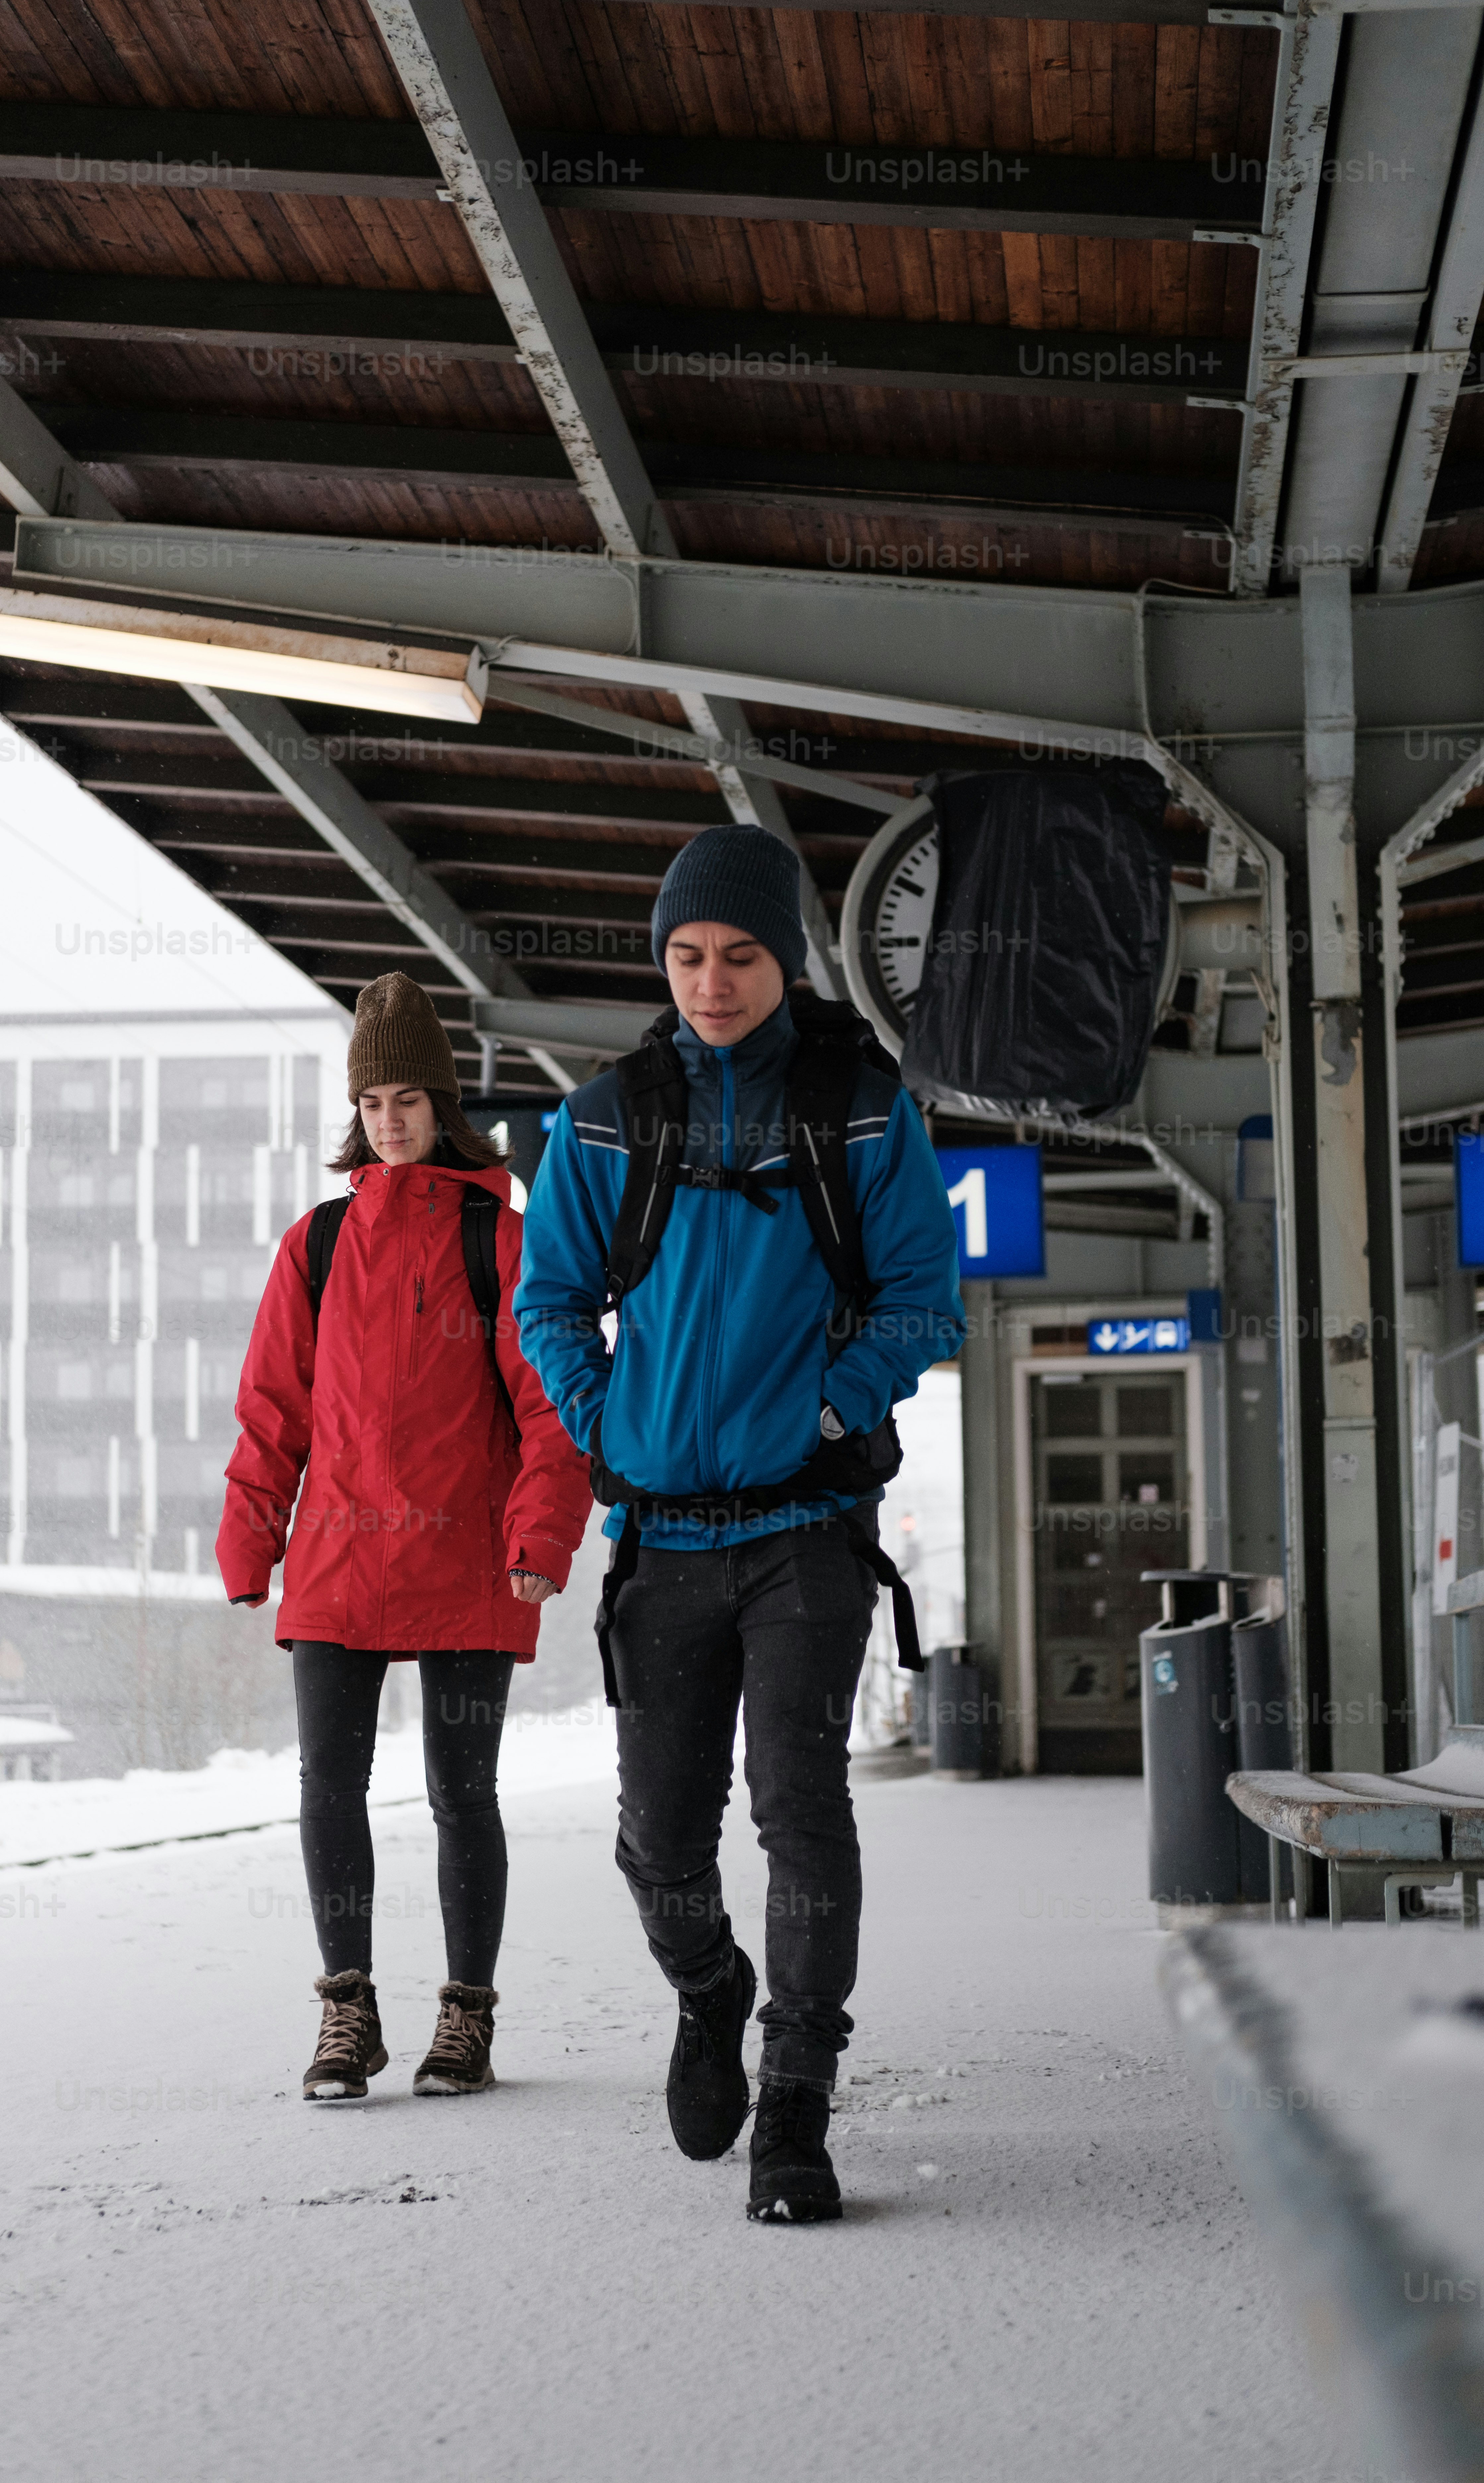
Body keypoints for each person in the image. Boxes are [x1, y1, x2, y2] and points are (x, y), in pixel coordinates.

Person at [515, 824, 963, 2221]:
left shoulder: (864, 1110)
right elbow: (545, 1303)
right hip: (659, 1540)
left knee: (801, 1808)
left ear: (788, 959)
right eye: (690, 956)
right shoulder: (604, 1116)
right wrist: (602, 1424)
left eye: (742, 955)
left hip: (806, 1530)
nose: (713, 981)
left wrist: (831, 1413)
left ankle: (796, 2104)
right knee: (657, 1836)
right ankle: (713, 1990)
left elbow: (920, 1300)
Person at [217, 973, 591, 2104]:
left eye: (409, 1098)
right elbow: (273, 1405)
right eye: (372, 1100)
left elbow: (551, 1405)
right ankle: (347, 2014)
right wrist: (251, 1538)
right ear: (356, 1112)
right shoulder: (317, 1242)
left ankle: (465, 2021)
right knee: (328, 1787)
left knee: (459, 1793)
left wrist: (542, 1535)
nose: (390, 1118)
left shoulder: (503, 1239)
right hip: (336, 1556)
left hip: (469, 1560)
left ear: (443, 1102)